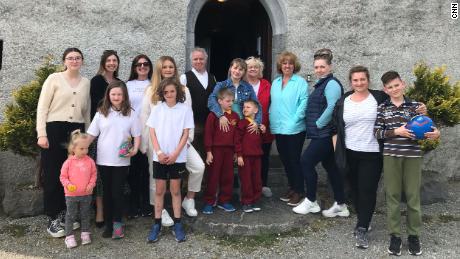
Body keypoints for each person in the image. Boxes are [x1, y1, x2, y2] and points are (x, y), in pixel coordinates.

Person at [332, 66, 427, 249]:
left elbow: (399, 101)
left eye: (362, 79)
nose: (359, 83)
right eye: (355, 80)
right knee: (355, 189)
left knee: (367, 190)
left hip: (372, 153)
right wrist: (337, 151)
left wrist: (422, 108)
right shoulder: (344, 100)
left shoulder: (379, 98)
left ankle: (362, 226)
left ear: (368, 80)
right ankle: (363, 218)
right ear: (350, 82)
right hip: (349, 152)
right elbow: (335, 126)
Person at [374, 71, 440, 256]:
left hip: (412, 156)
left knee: (413, 197)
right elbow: (377, 133)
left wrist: (437, 133)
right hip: (391, 156)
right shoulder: (382, 108)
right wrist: (397, 132)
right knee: (393, 196)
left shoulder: (416, 107)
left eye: (397, 85)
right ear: (385, 90)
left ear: (403, 84)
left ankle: (413, 236)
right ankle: (395, 236)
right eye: (390, 87)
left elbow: (429, 127)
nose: (394, 89)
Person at [140, 56, 205, 220]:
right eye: (165, 67)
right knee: (155, 178)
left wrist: (187, 140)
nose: (168, 70)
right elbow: (144, 117)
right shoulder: (151, 90)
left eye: (171, 67)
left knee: (198, 167)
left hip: (180, 144)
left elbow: (188, 116)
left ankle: (189, 199)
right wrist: (146, 144)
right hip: (157, 144)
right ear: (159, 70)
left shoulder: (184, 90)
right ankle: (159, 210)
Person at [36, 47, 90, 238]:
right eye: (70, 58)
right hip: (54, 129)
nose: (74, 61)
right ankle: (52, 217)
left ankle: (67, 214)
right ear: (64, 61)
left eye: (77, 58)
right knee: (53, 173)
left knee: (72, 173)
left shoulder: (86, 83)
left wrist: (88, 136)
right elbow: (42, 107)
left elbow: (86, 112)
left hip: (76, 131)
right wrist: (41, 134)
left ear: (82, 61)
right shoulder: (54, 79)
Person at [293, 49, 349, 218]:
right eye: (316, 67)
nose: (319, 70)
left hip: (324, 133)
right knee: (330, 167)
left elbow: (332, 107)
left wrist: (318, 124)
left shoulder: (331, 84)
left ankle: (311, 201)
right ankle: (341, 204)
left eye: (322, 67)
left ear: (330, 67)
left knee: (306, 161)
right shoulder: (321, 83)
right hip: (321, 133)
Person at [87, 81, 141, 239]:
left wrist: (135, 149)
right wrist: (78, 149)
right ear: (108, 96)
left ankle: (118, 224)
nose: (116, 97)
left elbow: (137, 135)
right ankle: (109, 225)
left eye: (119, 94)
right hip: (103, 160)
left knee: (117, 193)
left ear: (124, 96)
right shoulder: (101, 113)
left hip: (122, 161)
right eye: (113, 94)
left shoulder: (131, 113)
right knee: (107, 194)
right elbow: (91, 135)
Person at [146, 78, 194, 243]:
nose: (169, 94)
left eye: (172, 91)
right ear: (162, 93)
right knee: (159, 190)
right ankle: (157, 224)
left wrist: (175, 154)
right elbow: (151, 131)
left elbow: (185, 134)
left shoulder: (185, 110)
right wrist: (159, 152)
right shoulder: (158, 109)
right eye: (165, 92)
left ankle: (178, 223)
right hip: (159, 157)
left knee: (175, 190)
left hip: (177, 157)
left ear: (177, 92)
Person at [269, 51, 308, 206]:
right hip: (279, 127)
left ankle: (299, 191)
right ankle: (292, 187)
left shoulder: (300, 82)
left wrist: (295, 119)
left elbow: (304, 102)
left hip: (294, 128)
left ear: (294, 66)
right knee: (285, 159)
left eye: (290, 63)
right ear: (280, 66)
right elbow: (274, 104)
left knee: (294, 160)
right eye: (284, 63)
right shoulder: (276, 82)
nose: (287, 66)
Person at [89, 50, 121, 228]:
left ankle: (115, 212)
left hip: (118, 133)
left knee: (115, 173)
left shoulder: (120, 83)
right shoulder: (96, 81)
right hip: (101, 132)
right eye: (108, 60)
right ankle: (100, 210)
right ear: (103, 62)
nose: (111, 63)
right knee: (100, 175)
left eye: (114, 60)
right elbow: (96, 106)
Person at [202, 88, 240, 214]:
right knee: (213, 176)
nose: (230, 103)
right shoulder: (213, 116)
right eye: (228, 101)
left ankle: (225, 201)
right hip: (215, 151)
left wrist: (236, 151)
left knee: (227, 176)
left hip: (229, 151)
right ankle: (209, 201)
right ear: (219, 101)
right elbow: (208, 134)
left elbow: (237, 136)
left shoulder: (235, 116)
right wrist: (208, 151)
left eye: (232, 101)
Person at [126, 54, 153, 219]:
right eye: (139, 64)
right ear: (134, 67)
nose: (142, 67)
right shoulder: (128, 84)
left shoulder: (154, 84)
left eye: (145, 64)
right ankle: (134, 204)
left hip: (150, 132)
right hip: (132, 132)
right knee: (133, 171)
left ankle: (147, 204)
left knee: (147, 171)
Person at [60, 130, 97, 248]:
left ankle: (85, 233)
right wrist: (68, 184)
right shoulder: (68, 162)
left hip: (87, 194)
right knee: (71, 215)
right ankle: (69, 236)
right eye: (82, 149)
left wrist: (91, 184)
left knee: (85, 214)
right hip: (71, 195)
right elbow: (63, 177)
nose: (85, 151)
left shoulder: (90, 161)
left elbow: (93, 174)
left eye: (86, 148)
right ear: (73, 148)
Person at [179, 47, 217, 158]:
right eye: (196, 59)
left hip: (210, 124)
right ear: (191, 61)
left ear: (206, 60)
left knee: (208, 156)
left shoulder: (212, 77)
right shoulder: (184, 77)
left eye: (201, 59)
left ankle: (206, 176)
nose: (199, 61)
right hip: (193, 125)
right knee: (193, 157)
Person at [245, 57, 274, 198]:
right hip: (247, 130)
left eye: (255, 67)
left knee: (264, 157)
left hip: (264, 127)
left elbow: (272, 105)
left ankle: (263, 185)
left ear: (260, 70)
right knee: (248, 158)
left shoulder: (267, 84)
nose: (253, 69)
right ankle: (248, 186)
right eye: (250, 67)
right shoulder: (242, 85)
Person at [208, 58, 262, 129]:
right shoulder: (221, 85)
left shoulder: (248, 87)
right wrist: (220, 115)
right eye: (235, 68)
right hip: (225, 121)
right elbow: (211, 100)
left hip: (242, 123)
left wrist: (256, 122)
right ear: (230, 69)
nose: (237, 71)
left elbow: (257, 105)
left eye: (241, 69)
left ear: (244, 72)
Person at [236, 99, 264, 212]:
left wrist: (262, 130)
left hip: (256, 156)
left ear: (256, 110)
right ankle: (247, 202)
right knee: (246, 179)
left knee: (256, 179)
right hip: (245, 157)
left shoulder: (257, 125)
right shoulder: (242, 123)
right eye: (244, 107)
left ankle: (255, 200)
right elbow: (237, 140)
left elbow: (259, 140)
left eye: (248, 107)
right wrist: (239, 155)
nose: (244, 109)